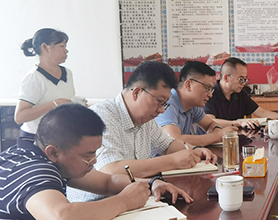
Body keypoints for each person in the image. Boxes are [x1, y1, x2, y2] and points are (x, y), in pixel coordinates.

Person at [0, 103, 191, 220]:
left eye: (96, 152)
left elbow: (107, 181)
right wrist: (124, 201)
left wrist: (152, 183)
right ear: (53, 152)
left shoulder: (35, 155)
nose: (94, 161)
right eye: (88, 155)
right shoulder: (35, 170)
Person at [67, 61, 216, 202]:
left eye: (165, 104)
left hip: (134, 199)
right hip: (96, 204)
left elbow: (167, 145)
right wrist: (172, 161)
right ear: (137, 92)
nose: (162, 110)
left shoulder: (145, 118)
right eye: (160, 101)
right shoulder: (102, 116)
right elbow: (110, 171)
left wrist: (194, 150)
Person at [155, 61, 244, 146]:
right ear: (188, 85)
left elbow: (210, 124)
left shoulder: (192, 106)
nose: (210, 95)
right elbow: (174, 140)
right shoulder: (168, 103)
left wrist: (217, 131)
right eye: (207, 88)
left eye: (211, 89)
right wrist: (217, 136)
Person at [15, 28, 77, 141]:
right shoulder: (34, 78)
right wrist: (54, 104)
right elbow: (20, 117)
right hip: (36, 138)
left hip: (61, 135)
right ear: (45, 47)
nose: (66, 51)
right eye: (62, 46)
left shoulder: (67, 72)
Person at [204, 57, 278, 124]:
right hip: (214, 136)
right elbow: (210, 121)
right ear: (226, 78)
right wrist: (238, 123)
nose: (244, 84)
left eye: (245, 79)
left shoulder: (240, 94)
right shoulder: (209, 94)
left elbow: (261, 112)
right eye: (241, 79)